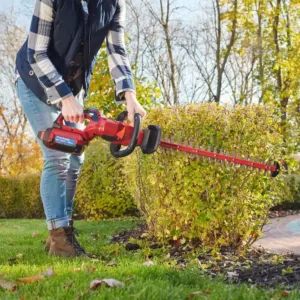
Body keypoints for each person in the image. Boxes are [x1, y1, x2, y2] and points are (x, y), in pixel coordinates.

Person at [15, 0, 146, 258]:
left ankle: (61, 231)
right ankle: (60, 240)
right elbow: (36, 53)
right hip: (36, 82)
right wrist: (64, 96)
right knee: (57, 154)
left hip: (72, 89)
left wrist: (130, 96)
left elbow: (117, 49)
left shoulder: (115, 4)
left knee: (76, 158)